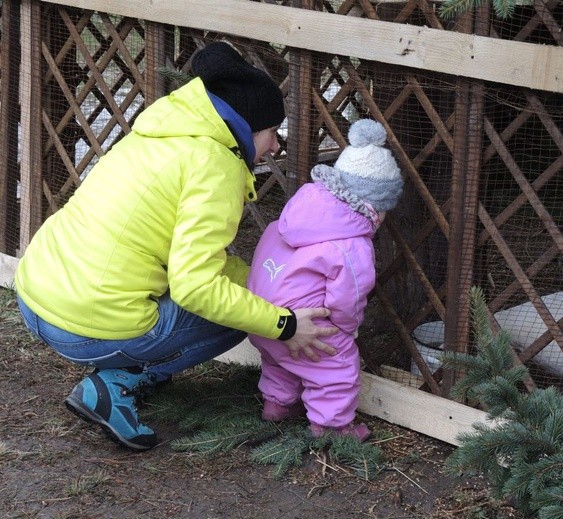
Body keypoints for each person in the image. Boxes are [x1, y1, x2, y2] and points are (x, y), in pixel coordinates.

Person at [13, 41, 338, 451]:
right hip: (80, 326)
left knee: (238, 296)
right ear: (246, 125)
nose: (276, 146)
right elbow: (195, 287)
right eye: (273, 133)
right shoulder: (215, 164)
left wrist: (258, 282)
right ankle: (115, 383)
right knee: (235, 317)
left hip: (35, 295)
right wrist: (283, 323)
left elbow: (183, 257)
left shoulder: (161, 131)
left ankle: (122, 364)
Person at [247, 118, 403, 442]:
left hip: (261, 317)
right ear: (374, 205)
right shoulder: (353, 244)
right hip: (306, 324)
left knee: (280, 359)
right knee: (336, 366)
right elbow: (348, 297)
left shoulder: (298, 211)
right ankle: (332, 427)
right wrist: (348, 327)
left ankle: (276, 404)